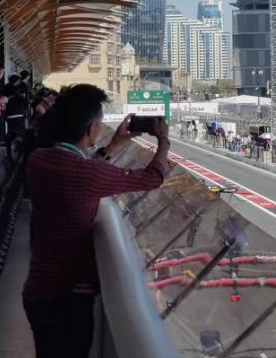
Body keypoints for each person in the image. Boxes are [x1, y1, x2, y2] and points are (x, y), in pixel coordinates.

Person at [22, 84, 170, 358]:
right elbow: (153, 177)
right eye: (99, 124)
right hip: (68, 300)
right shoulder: (84, 173)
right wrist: (163, 141)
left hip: (38, 290)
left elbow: (83, 170)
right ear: (91, 129)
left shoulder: (39, 160)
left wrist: (114, 145)